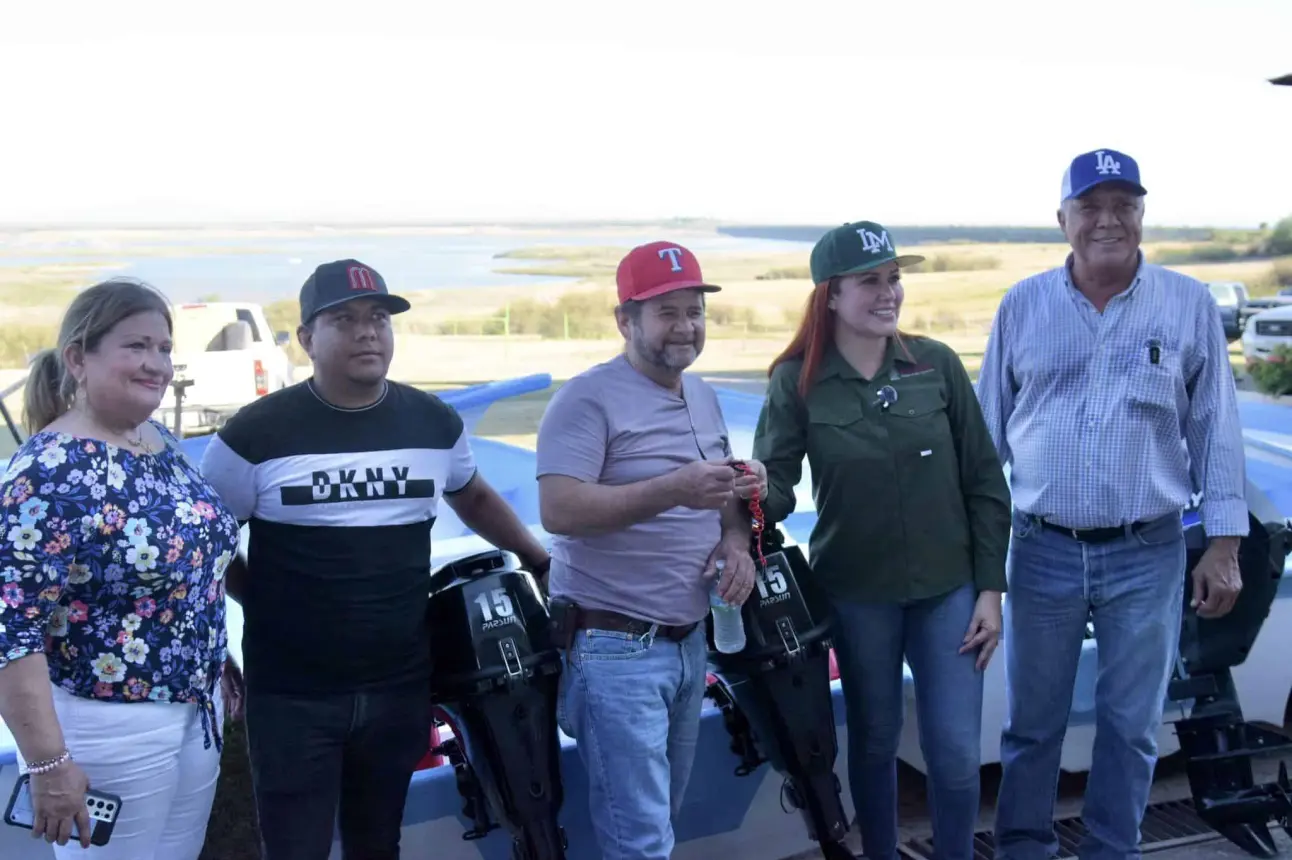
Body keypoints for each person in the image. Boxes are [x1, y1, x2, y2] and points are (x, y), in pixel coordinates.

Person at [198, 259, 551, 860]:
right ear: (308, 338)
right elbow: (205, 544)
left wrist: (538, 560)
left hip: (398, 685)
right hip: (292, 695)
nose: (368, 331)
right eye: (345, 319)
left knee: (377, 844)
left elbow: (473, 495)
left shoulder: (433, 423)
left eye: (379, 318)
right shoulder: (253, 435)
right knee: (295, 848)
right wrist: (258, 599)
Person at [978, 149, 1248, 860]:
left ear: (1141, 215)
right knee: (1032, 725)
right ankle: (1024, 850)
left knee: (1132, 724)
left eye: (1123, 205)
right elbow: (985, 445)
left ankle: (1111, 851)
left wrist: (1224, 545)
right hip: (1041, 551)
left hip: (1148, 551)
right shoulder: (1022, 306)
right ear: (1062, 218)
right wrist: (978, 563)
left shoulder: (1186, 304)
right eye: (1090, 206)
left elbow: (1217, 428)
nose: (1107, 220)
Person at [750, 221, 1012, 860]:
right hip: (855, 592)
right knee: (873, 740)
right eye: (870, 281)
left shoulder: (938, 365)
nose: (888, 292)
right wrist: (752, 489)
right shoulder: (796, 381)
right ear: (830, 296)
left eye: (894, 278)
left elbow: (984, 482)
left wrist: (990, 590)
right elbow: (777, 491)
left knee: (953, 749)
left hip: (949, 590)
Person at [0, 278, 242, 859]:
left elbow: (192, 571)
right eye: (136, 346)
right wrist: (49, 765)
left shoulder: (157, 441)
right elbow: (10, 628)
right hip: (109, 725)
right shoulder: (50, 471)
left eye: (163, 348)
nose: (156, 363)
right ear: (78, 359)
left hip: (195, 710)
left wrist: (217, 657)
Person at [535, 240, 759, 860]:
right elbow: (559, 510)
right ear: (625, 321)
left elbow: (724, 501)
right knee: (640, 840)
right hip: (614, 649)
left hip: (689, 641)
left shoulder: (703, 394)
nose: (685, 327)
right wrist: (672, 489)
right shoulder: (585, 400)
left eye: (695, 311)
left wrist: (736, 543)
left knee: (659, 825)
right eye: (667, 312)